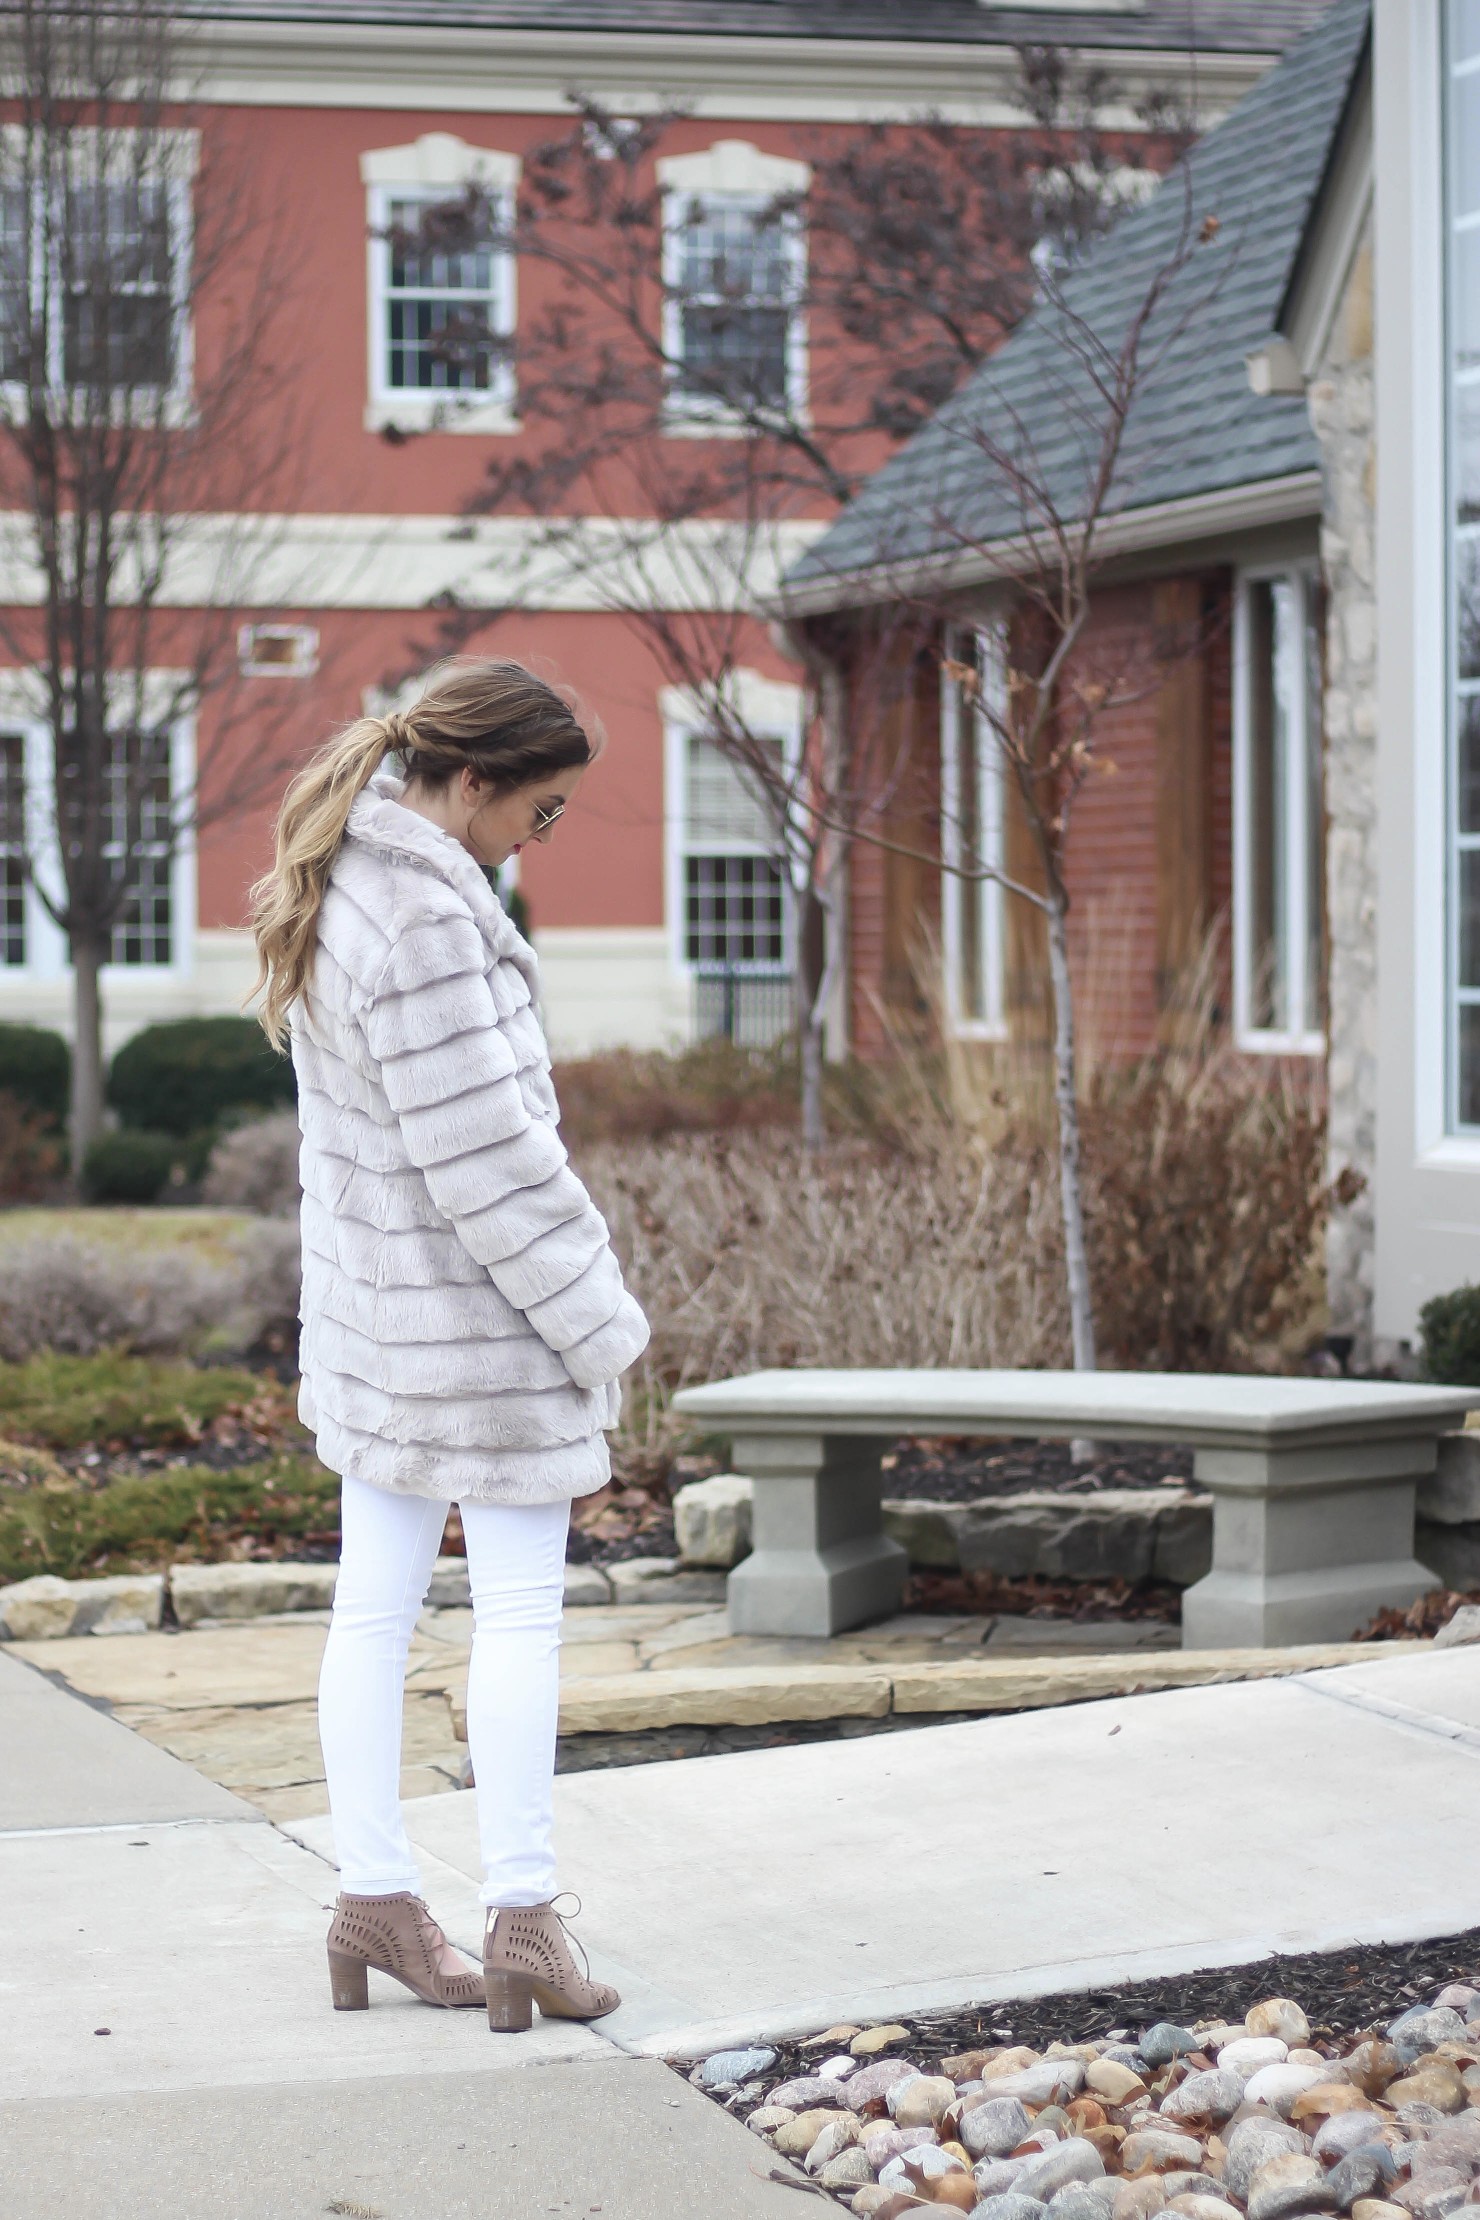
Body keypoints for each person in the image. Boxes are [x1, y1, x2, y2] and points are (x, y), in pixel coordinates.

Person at [250, 658, 649, 2032]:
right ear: (471, 781)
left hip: (383, 1326)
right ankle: (522, 1916)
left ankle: (374, 1897)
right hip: (477, 1332)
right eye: (538, 812)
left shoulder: (349, 880)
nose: (537, 840)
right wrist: (601, 1321)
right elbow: (490, 1164)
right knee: (520, 1609)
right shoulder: (420, 916)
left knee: (376, 1606)